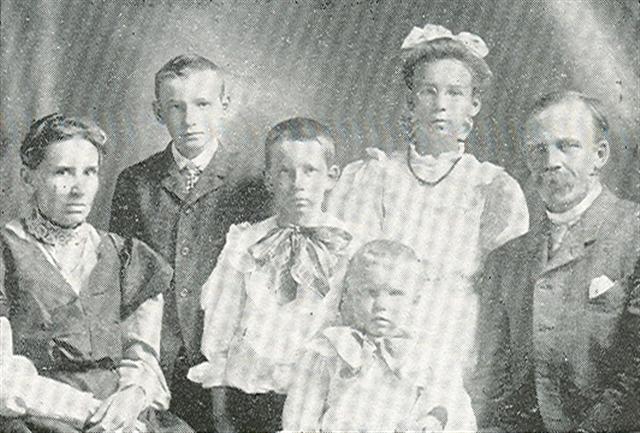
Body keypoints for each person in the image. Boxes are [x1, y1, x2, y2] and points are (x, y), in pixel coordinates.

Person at [327, 23, 529, 430]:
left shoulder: (492, 187)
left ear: (473, 104)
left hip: (455, 337)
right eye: (428, 91)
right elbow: (343, 277)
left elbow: (507, 297)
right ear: (410, 100)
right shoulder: (372, 177)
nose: (440, 105)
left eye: (455, 93)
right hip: (380, 331)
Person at [0, 114, 192, 433]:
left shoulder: (126, 256)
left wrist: (132, 397)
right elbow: (3, 377)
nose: (79, 189)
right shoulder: (6, 252)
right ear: (27, 177)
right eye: (63, 172)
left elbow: (142, 358)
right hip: (43, 415)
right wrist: (93, 412)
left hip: (125, 417)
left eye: (89, 172)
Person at [109, 54, 270, 431]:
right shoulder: (136, 182)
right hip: (160, 360)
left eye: (202, 104)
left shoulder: (253, 181)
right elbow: (123, 280)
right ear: (158, 112)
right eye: (175, 107)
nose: (189, 119)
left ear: (224, 105)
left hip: (229, 362)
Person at [471, 91, 640, 432]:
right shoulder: (505, 261)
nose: (551, 162)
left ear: (599, 155)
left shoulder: (634, 233)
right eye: (539, 150)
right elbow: (492, 385)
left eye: (567, 146)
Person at [188, 117, 359, 433]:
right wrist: (221, 416)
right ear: (268, 179)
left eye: (310, 171)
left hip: (319, 402)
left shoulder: (349, 246)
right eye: (285, 172)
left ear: (331, 176)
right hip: (250, 399)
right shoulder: (245, 243)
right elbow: (220, 331)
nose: (298, 183)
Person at [282, 240, 456, 432]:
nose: (382, 304)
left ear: (415, 300)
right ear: (351, 294)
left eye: (395, 293)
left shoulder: (424, 354)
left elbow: (445, 400)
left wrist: (432, 420)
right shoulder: (332, 348)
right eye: (370, 292)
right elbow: (301, 412)